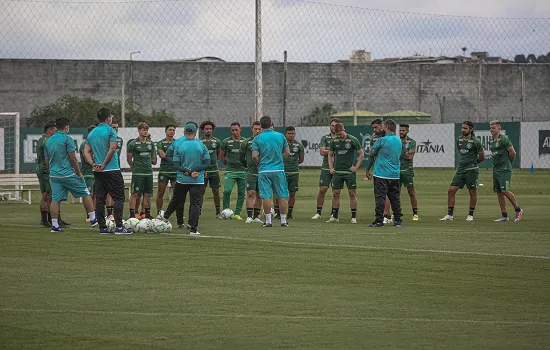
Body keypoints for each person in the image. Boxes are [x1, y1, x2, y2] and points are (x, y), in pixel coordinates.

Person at [44, 118, 98, 232]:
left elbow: (46, 160)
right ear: (66, 127)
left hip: (54, 175)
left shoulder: (48, 141)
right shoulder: (67, 139)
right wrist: (79, 173)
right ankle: (93, 218)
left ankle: (55, 225)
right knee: (85, 192)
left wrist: (52, 172)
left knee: (55, 199)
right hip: (67, 174)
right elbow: (73, 158)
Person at [84, 107, 132, 234]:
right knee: (119, 198)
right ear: (107, 118)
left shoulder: (92, 133)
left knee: (100, 199)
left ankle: (102, 228)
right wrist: (104, 164)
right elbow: (112, 149)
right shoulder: (111, 131)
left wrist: (93, 163)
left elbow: (86, 151)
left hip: (98, 171)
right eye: (110, 116)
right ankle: (119, 227)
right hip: (111, 169)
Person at [159, 122, 210, 236]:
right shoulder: (201, 145)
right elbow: (207, 162)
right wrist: (195, 170)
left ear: (184, 131)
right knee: (195, 203)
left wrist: (186, 170)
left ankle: (166, 217)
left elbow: (171, 159)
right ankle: (193, 228)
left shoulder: (178, 144)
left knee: (177, 199)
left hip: (182, 178)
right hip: (197, 179)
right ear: (196, 132)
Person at [440, 121, 485, 222]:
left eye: (465, 128)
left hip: (471, 170)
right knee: (451, 190)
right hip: (460, 170)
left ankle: (470, 215)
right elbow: (461, 153)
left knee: (472, 192)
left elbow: (482, 157)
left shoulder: (476, 141)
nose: (463, 130)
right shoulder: (459, 140)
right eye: (462, 128)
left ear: (470, 129)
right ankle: (450, 215)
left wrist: (473, 163)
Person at [252, 116, 291, 228]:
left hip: (264, 170)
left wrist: (260, 164)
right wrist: (279, 161)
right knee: (282, 195)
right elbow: (288, 153)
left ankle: (268, 221)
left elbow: (254, 156)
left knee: (266, 196)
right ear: (271, 123)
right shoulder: (280, 136)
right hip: (278, 169)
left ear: (261, 125)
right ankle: (283, 221)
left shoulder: (257, 139)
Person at [368, 119, 403, 227]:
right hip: (395, 174)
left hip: (381, 174)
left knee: (380, 197)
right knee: (395, 198)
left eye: (383, 127)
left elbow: (371, 153)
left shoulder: (382, 140)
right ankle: (397, 220)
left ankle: (379, 221)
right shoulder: (399, 141)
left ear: (387, 128)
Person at [327, 123, 364, 223]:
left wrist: (356, 167)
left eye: (340, 134)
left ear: (344, 130)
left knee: (352, 194)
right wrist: (331, 168)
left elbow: (361, 154)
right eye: (336, 134)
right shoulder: (334, 141)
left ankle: (353, 217)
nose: (338, 136)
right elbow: (330, 155)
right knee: (335, 194)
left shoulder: (353, 139)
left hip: (349, 172)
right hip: (337, 172)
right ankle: (334, 216)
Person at [488, 120, 523, 222]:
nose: (491, 130)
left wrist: (508, 163)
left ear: (499, 128)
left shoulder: (504, 139)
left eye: (493, 128)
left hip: (504, 170)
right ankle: (504, 215)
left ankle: (518, 209)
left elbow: (513, 152)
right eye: (490, 128)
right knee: (499, 192)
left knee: (505, 190)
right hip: (496, 170)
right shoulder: (491, 141)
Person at [127, 123, 157, 219]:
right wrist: (133, 167)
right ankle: (132, 214)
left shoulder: (151, 143)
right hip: (138, 173)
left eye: (146, 130)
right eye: (143, 130)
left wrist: (151, 160)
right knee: (135, 194)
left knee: (148, 194)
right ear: (139, 130)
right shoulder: (133, 144)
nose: (145, 131)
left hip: (148, 173)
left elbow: (154, 158)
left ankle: (146, 213)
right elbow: (129, 158)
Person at [364, 118, 392, 224]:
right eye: (373, 128)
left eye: (376, 127)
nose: (374, 130)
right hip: (378, 169)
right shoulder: (374, 138)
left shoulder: (389, 137)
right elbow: (371, 155)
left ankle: (386, 215)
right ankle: (387, 215)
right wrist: (367, 169)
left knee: (387, 193)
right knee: (380, 194)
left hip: (388, 169)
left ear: (382, 126)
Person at [311, 118, 339, 220]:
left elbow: (342, 151)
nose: (333, 127)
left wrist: (329, 149)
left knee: (336, 192)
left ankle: (334, 214)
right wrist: (334, 150)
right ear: (329, 126)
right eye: (332, 125)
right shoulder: (325, 138)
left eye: (335, 125)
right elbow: (322, 151)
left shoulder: (342, 138)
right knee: (323, 189)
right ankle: (318, 212)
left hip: (338, 168)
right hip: (326, 167)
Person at [220, 122, 246, 220]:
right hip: (230, 171)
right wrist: (227, 164)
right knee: (227, 191)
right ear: (230, 131)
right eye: (233, 130)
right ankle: (226, 211)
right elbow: (222, 155)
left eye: (236, 129)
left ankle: (237, 213)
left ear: (240, 129)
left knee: (241, 193)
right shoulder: (226, 141)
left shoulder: (245, 141)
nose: (235, 132)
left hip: (243, 171)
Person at [241, 121, 264, 224]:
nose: (258, 131)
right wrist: (247, 166)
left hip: (263, 172)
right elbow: (241, 157)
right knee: (251, 193)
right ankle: (249, 216)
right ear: (252, 129)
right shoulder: (246, 142)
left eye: (259, 129)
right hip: (251, 172)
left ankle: (256, 216)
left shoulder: (265, 142)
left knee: (260, 195)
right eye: (256, 129)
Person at [200, 121, 222, 218]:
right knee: (201, 191)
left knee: (216, 191)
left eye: (210, 129)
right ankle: (198, 211)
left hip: (214, 170)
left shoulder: (217, 141)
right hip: (203, 171)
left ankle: (218, 212)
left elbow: (217, 154)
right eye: (206, 129)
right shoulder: (199, 142)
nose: (208, 130)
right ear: (203, 130)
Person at [36, 120, 57, 227]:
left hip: (42, 169)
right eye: (55, 130)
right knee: (46, 194)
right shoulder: (46, 141)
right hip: (44, 169)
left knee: (49, 194)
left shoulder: (41, 139)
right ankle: (45, 220)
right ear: (49, 130)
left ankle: (48, 219)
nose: (56, 132)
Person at [398, 124, 420, 221]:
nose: (401, 132)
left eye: (403, 130)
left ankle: (415, 214)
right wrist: (405, 153)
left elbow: (410, 156)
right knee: (395, 193)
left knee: (411, 192)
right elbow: (404, 155)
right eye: (400, 130)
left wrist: (400, 154)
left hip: (408, 171)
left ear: (407, 131)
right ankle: (396, 213)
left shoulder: (412, 142)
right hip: (396, 171)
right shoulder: (396, 141)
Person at [283, 126, 304, 220]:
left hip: (294, 172)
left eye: (292, 133)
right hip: (283, 172)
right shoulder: (282, 144)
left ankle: (290, 213)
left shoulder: (299, 145)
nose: (291, 135)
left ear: (295, 134)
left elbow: (301, 159)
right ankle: (279, 213)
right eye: (289, 133)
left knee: (292, 193)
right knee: (280, 193)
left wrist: (293, 163)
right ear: (285, 134)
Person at [105, 120, 123, 221]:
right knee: (107, 192)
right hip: (107, 168)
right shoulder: (106, 138)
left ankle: (115, 214)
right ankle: (109, 213)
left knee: (116, 192)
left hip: (116, 168)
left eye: (117, 127)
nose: (116, 129)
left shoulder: (119, 139)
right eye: (113, 127)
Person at [80, 124, 96, 222]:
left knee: (96, 195)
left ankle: (94, 213)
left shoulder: (96, 143)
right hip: (88, 173)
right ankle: (89, 214)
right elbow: (87, 158)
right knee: (89, 194)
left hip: (97, 172)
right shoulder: (84, 144)